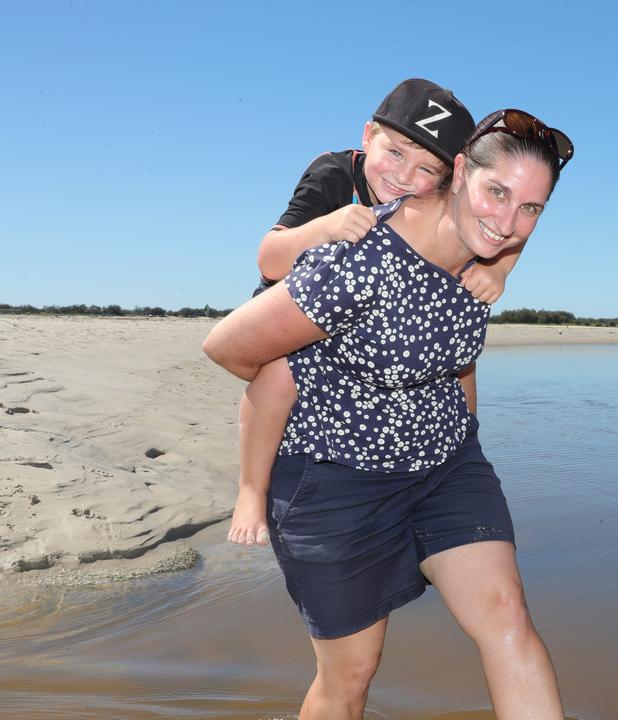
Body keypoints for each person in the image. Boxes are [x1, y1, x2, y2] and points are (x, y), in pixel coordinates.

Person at [204, 108, 574, 719]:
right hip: (337, 480)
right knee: (351, 673)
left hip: (446, 465)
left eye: (531, 209)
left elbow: (459, 361)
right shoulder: (361, 256)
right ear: (459, 172)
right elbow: (226, 347)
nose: (509, 223)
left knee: (506, 619)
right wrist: (319, 385)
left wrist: (468, 443)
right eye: (497, 192)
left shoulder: (485, 262)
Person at [227, 79, 527, 548]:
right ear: (368, 136)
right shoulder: (333, 174)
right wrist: (324, 227)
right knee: (279, 377)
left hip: (371, 315)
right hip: (296, 304)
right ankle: (251, 489)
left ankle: (461, 445)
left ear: (451, 179)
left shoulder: (434, 203)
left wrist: (502, 269)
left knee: (456, 353)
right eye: (396, 152)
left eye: (428, 169)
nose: (406, 177)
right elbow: (268, 257)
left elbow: (513, 218)